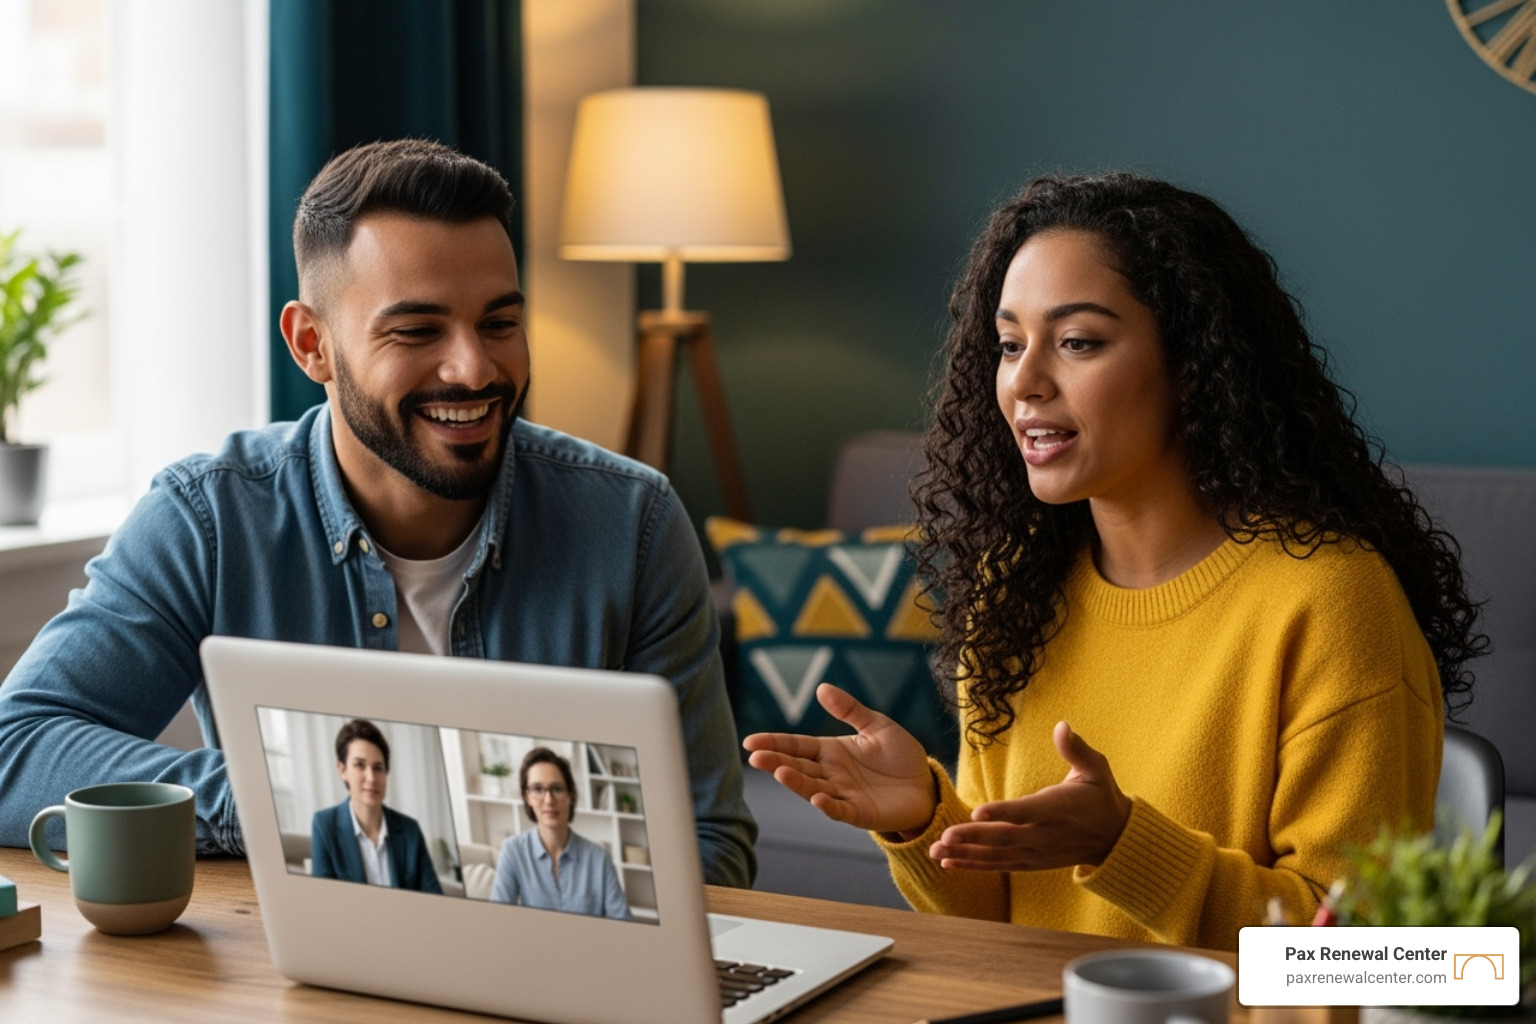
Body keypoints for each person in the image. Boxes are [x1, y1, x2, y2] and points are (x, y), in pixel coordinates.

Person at [744, 172, 1484, 952]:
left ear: (1193, 364)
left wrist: (1122, 845)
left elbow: (1368, 964)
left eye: (1077, 342)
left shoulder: (1329, 600)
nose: (1024, 382)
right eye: (1008, 344)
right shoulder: (1015, 594)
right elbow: (1001, 930)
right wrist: (923, 821)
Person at [0, 139, 755, 887]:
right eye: (417, 331)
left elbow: (711, 845)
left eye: (498, 323)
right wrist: (286, 800)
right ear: (311, 346)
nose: (474, 368)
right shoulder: (209, 518)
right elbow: (15, 749)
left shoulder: (633, 524)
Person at [488, 748, 633, 920]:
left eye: (557, 789)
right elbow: (498, 923)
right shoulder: (512, 851)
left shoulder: (600, 859)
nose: (549, 800)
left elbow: (624, 925)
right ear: (527, 796)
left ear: (570, 795)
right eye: (537, 789)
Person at [310, 719, 442, 893]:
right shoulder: (324, 825)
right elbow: (324, 903)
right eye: (360, 765)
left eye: (378, 768)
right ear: (342, 770)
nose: (371, 777)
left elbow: (435, 901)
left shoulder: (410, 830)